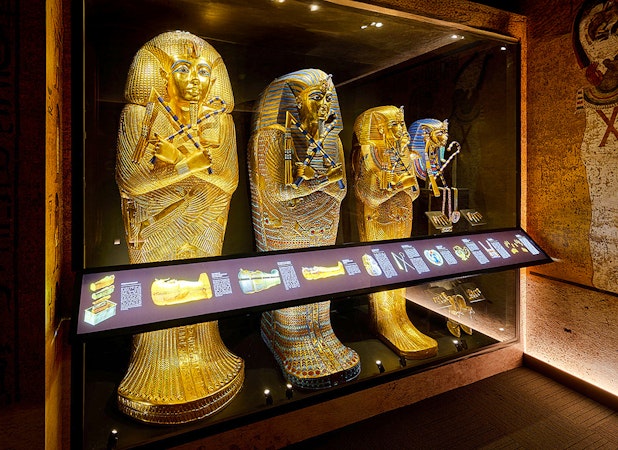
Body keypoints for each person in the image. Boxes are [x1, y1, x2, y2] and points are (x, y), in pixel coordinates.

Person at [114, 30, 244, 424]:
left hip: (205, 218)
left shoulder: (219, 121)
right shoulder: (141, 115)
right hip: (157, 224)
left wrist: (179, 164)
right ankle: (154, 361)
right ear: (160, 75)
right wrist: (191, 165)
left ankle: (207, 349)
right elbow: (131, 179)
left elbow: (229, 179)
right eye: (183, 69)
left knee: (201, 285)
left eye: (204, 71)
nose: (194, 79)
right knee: (162, 290)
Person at [247, 68, 360, 389]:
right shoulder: (273, 137)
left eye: (327, 97)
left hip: (323, 220)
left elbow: (340, 189)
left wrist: (315, 182)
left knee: (320, 277)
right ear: (294, 102)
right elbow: (278, 192)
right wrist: (320, 182)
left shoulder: (332, 141)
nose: (324, 104)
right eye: (315, 97)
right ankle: (287, 334)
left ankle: (322, 329)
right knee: (291, 279)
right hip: (285, 222)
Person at [352, 105, 438, 359]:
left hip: (401, 216)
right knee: (382, 270)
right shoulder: (368, 152)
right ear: (379, 128)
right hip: (378, 220)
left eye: (402, 125)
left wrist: (403, 186)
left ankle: (400, 317)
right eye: (395, 126)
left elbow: (413, 193)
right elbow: (368, 195)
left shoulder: (402, 153)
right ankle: (384, 319)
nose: (402, 131)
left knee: (399, 269)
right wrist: (398, 185)